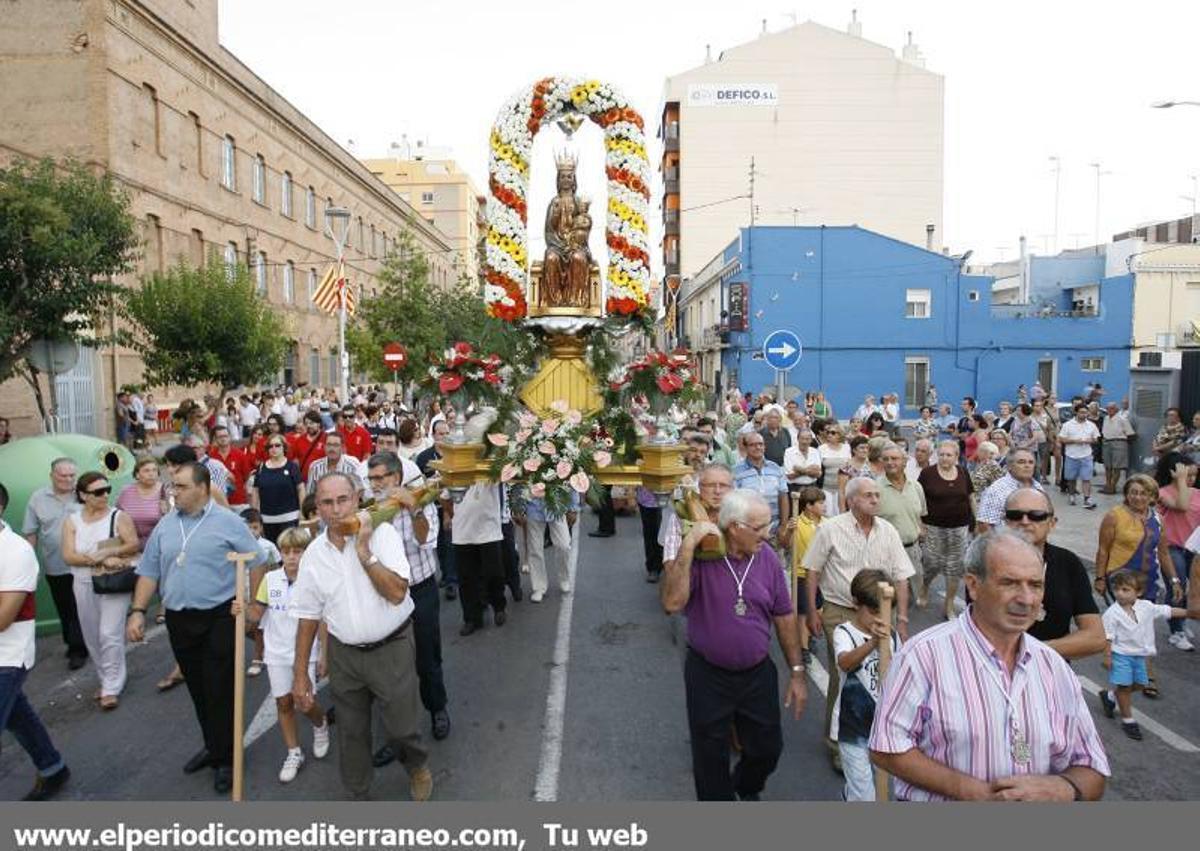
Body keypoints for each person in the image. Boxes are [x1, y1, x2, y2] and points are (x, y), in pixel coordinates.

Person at [869, 529, 1110, 801]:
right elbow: (886, 747)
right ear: (973, 586)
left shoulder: (1054, 666)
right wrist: (974, 793)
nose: (1026, 599)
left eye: (1035, 585)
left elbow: (1092, 765)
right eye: (1009, 583)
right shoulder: (922, 656)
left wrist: (1065, 789)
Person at [289, 473, 432, 801]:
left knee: (401, 727)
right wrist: (300, 675)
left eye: (343, 500)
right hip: (345, 654)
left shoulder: (383, 534)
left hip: (391, 647)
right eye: (327, 502)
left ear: (357, 499)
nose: (336, 509)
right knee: (351, 731)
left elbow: (397, 593)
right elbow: (307, 616)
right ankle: (358, 789)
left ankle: (416, 766)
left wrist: (364, 551)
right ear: (317, 508)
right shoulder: (314, 555)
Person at [127, 461, 265, 794]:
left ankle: (227, 759)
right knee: (199, 688)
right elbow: (149, 570)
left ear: (202, 488)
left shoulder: (228, 522)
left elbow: (258, 560)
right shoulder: (166, 525)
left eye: (181, 486)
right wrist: (137, 611)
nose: (173, 493)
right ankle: (213, 745)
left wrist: (254, 606)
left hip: (219, 616)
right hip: (179, 618)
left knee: (219, 687)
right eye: (172, 486)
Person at [659, 489, 807, 801]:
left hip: (757, 673)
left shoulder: (767, 558)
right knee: (710, 756)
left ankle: (745, 785)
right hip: (708, 675)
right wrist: (689, 545)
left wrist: (796, 672)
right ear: (734, 528)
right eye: (759, 527)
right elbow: (672, 603)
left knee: (767, 748)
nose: (767, 534)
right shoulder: (703, 558)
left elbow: (784, 615)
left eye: (768, 525)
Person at [804, 476, 913, 769]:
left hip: (880, 612)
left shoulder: (887, 530)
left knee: (880, 674)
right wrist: (812, 612)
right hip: (840, 611)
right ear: (851, 500)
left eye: (877, 495)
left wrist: (901, 619)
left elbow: (902, 576)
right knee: (845, 675)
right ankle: (838, 743)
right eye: (868, 495)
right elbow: (812, 570)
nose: (875, 499)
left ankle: (876, 736)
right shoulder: (830, 529)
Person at [365, 452, 451, 759]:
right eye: (371, 478)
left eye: (381, 478)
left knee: (427, 657)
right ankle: (396, 734)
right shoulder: (370, 510)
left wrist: (413, 507)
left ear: (397, 477)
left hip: (419, 591)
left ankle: (437, 708)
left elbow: (426, 540)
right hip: (386, 595)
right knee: (390, 670)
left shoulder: (421, 501)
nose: (375, 484)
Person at [236, 526, 330, 783]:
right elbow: (257, 613)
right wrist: (243, 610)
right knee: (284, 703)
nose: (291, 557)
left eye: (297, 551)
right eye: (286, 552)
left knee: (306, 703)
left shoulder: (315, 579)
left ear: (306, 553)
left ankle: (320, 724)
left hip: (307, 652)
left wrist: (324, 654)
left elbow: (323, 621)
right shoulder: (270, 580)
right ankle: (294, 752)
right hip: (276, 652)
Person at [0, 481, 71, 800]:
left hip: (6, 659)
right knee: (17, 715)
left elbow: (4, 617)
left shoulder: (15, 552)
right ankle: (53, 768)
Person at [1093, 475, 1183, 702]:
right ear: (1127, 494)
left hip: (1147, 581)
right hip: (1120, 578)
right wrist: (1100, 577)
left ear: (1152, 496)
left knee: (1142, 625)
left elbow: (1163, 552)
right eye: (1133, 492)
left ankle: (1115, 693)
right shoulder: (1114, 516)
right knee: (1133, 626)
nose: (1138, 497)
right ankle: (1143, 674)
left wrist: (1174, 580)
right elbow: (1103, 549)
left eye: (1143, 493)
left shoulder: (1158, 519)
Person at [60, 472, 139, 710]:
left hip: (112, 581)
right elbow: (68, 556)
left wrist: (110, 552)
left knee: (109, 633)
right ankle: (107, 679)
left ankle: (112, 686)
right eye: (98, 492)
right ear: (83, 495)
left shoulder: (118, 516)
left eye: (107, 490)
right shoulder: (72, 521)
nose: (105, 495)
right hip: (83, 582)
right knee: (92, 634)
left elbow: (133, 544)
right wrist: (96, 560)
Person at [1000, 488, 1104, 660]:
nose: (1025, 521)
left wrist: (1032, 652)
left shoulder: (1068, 562)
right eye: (1015, 515)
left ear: (1052, 523)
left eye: (1036, 515)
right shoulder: (987, 562)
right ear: (1005, 521)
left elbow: (1095, 637)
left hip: (1051, 671)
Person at [1097, 569, 1200, 740]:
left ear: (1138, 592)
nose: (1119, 593)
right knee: (1124, 687)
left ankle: (1110, 696)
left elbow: (1168, 611)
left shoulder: (1146, 607)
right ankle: (1128, 720)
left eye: (1125, 590)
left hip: (1141, 655)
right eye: (1117, 589)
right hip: (1121, 655)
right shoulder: (1112, 614)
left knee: (1139, 684)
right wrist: (1107, 656)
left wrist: (1190, 613)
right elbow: (1107, 637)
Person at [833, 570, 901, 801]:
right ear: (855, 603)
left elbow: (901, 671)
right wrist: (873, 643)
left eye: (884, 611)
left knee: (880, 784)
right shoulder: (844, 632)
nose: (879, 618)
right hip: (852, 728)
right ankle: (854, 795)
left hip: (882, 726)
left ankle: (850, 794)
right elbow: (845, 663)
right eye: (873, 612)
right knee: (866, 797)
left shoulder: (892, 636)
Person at [21, 458, 88, 670]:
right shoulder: (38, 498)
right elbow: (30, 532)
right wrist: (27, 564)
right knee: (65, 607)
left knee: (81, 607)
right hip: (55, 565)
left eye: (72, 475)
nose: (68, 479)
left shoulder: (84, 494)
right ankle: (73, 642)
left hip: (84, 564)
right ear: (52, 475)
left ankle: (78, 649)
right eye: (63, 475)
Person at [918, 441, 973, 619]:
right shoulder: (927, 473)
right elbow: (918, 499)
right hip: (933, 527)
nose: (944, 458)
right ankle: (925, 587)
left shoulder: (963, 472)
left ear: (956, 456)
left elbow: (970, 496)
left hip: (959, 528)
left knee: (955, 567)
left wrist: (976, 520)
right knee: (931, 563)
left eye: (949, 455)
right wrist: (920, 524)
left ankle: (948, 605)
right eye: (941, 454)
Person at [450, 483, 508, 636]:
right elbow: (445, 497)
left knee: (494, 573)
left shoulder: (490, 470)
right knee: (466, 579)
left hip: (489, 530)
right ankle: (472, 618)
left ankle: (499, 607)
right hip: (462, 533)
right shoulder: (453, 473)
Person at [1155, 453, 1200, 651]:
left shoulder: (1197, 493)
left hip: (1194, 549)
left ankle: (1182, 619)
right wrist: (1181, 481)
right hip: (1172, 547)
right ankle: (1177, 630)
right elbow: (1182, 506)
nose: (1191, 479)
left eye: (1194, 475)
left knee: (1194, 588)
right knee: (1177, 585)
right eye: (1187, 475)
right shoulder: (1162, 493)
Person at [877, 443, 926, 608]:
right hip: (886, 554)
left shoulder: (916, 487)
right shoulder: (875, 489)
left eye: (894, 458)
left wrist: (920, 531)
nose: (890, 462)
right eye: (886, 459)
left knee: (911, 599)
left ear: (904, 461)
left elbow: (920, 516)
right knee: (888, 600)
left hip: (912, 551)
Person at [415, 420, 458, 601]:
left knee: (449, 543)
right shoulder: (424, 457)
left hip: (451, 506)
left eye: (447, 433)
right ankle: (446, 574)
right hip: (432, 508)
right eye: (440, 434)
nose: (444, 437)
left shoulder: (455, 455)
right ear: (433, 435)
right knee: (439, 544)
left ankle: (451, 581)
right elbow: (419, 484)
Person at [733, 433, 790, 553]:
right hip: (749, 531)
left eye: (760, 444)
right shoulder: (736, 471)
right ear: (745, 448)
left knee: (776, 561)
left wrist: (783, 526)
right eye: (753, 445)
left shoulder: (775, 468)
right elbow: (735, 502)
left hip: (774, 529)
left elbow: (783, 496)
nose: (758, 447)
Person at [249, 434, 305, 544]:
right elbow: (255, 491)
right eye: (270, 446)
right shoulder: (261, 468)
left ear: (284, 447)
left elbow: (301, 489)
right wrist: (255, 515)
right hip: (267, 520)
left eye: (277, 445)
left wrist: (302, 512)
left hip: (290, 519)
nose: (274, 448)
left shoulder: (292, 467)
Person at [974, 450, 1043, 533]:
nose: (1027, 465)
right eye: (1021, 462)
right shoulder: (996, 490)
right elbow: (985, 525)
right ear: (1009, 466)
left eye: (1031, 462)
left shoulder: (1038, 487)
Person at [208, 425, 252, 510]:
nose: (223, 439)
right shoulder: (211, 457)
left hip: (238, 501)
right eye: (220, 436)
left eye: (225, 436)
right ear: (215, 439)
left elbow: (246, 476)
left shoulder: (240, 455)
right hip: (219, 502)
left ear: (230, 437)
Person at [1100, 401, 1135, 494]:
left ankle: (1112, 487)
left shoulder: (1122, 419)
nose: (1109, 410)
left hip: (1119, 442)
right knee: (1107, 466)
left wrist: (1125, 443)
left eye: (1112, 408)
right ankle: (1108, 485)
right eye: (1108, 408)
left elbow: (1130, 433)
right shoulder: (1106, 418)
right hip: (1106, 442)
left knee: (1117, 467)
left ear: (1116, 409)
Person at [817, 424, 850, 517]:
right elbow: (818, 467)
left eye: (833, 433)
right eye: (827, 432)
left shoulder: (847, 447)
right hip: (826, 487)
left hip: (843, 488)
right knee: (827, 514)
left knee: (841, 515)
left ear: (840, 435)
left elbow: (849, 466)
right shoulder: (822, 448)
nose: (829, 435)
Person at [287, 411, 328, 482]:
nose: (308, 426)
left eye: (311, 423)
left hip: (322, 479)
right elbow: (294, 460)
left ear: (319, 424)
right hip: (304, 480)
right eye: (306, 423)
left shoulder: (327, 438)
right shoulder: (299, 440)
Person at [783, 428, 822, 495]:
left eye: (807, 439)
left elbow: (818, 474)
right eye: (802, 438)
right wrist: (810, 470)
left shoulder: (815, 452)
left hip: (812, 487)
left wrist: (799, 469)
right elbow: (790, 476)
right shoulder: (789, 452)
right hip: (794, 488)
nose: (804, 442)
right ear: (798, 439)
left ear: (811, 440)